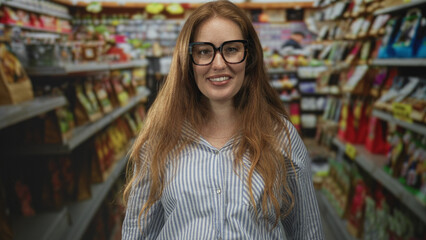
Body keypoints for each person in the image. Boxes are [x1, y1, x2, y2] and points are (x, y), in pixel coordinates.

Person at [122, 1, 324, 239]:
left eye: (231, 50)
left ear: (249, 57)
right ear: (188, 60)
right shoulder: (161, 138)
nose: (218, 64)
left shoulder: (281, 135)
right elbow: (138, 232)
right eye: (204, 51)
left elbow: (307, 231)